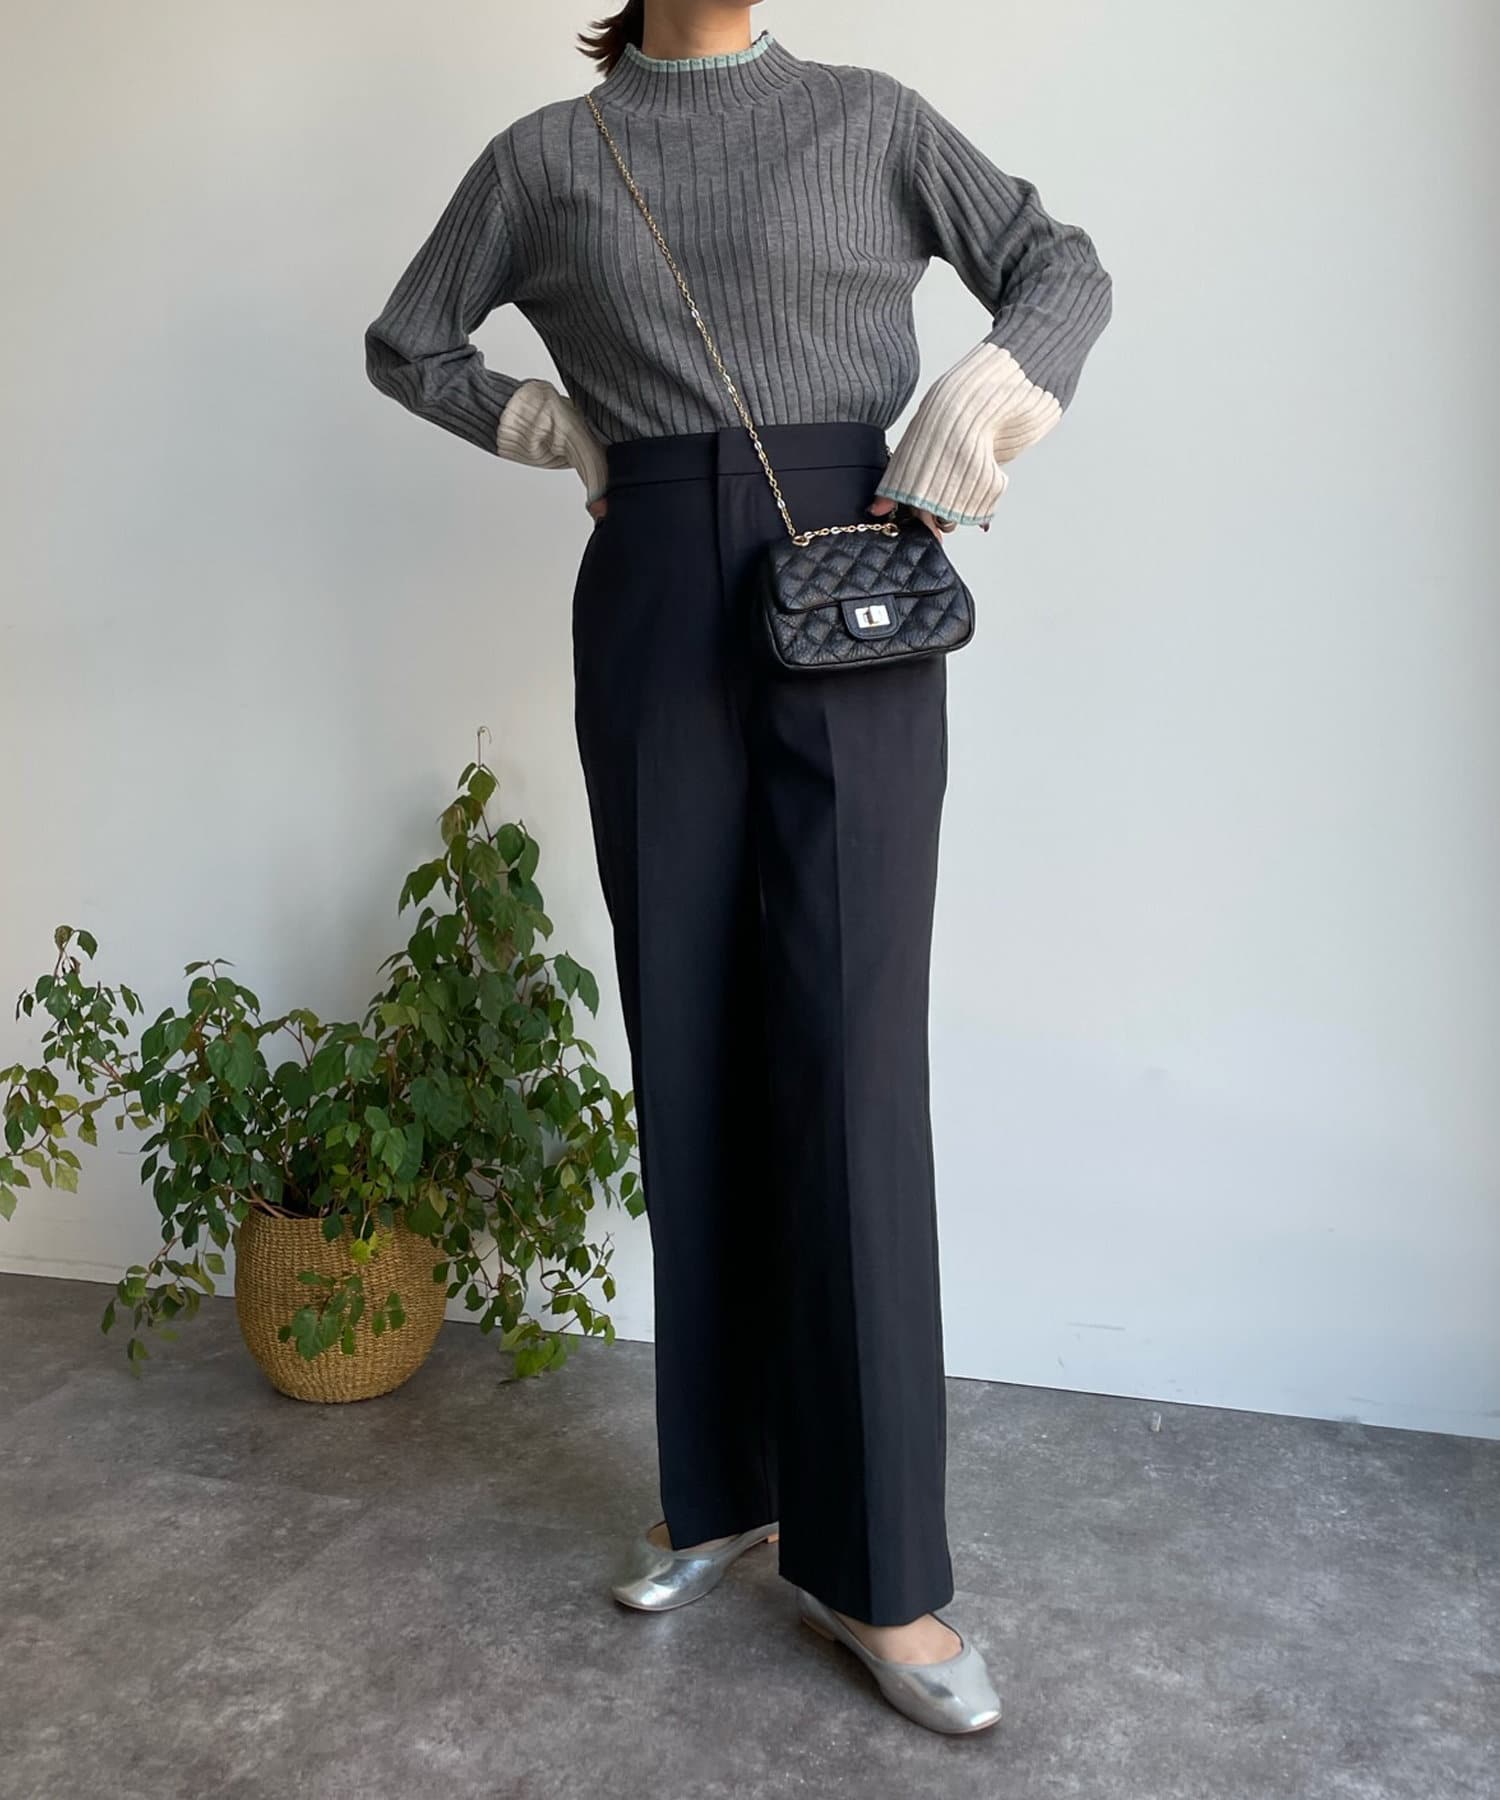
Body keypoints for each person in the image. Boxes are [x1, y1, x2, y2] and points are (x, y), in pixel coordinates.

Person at [364, 0, 1112, 1736]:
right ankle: (721, 1488)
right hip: (649, 593)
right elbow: (409, 342)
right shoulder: (545, 159)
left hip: (858, 566)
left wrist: (975, 408)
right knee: (689, 1034)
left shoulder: (870, 117)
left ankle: (883, 1569)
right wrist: (552, 428)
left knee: (850, 1058)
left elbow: (1056, 265)